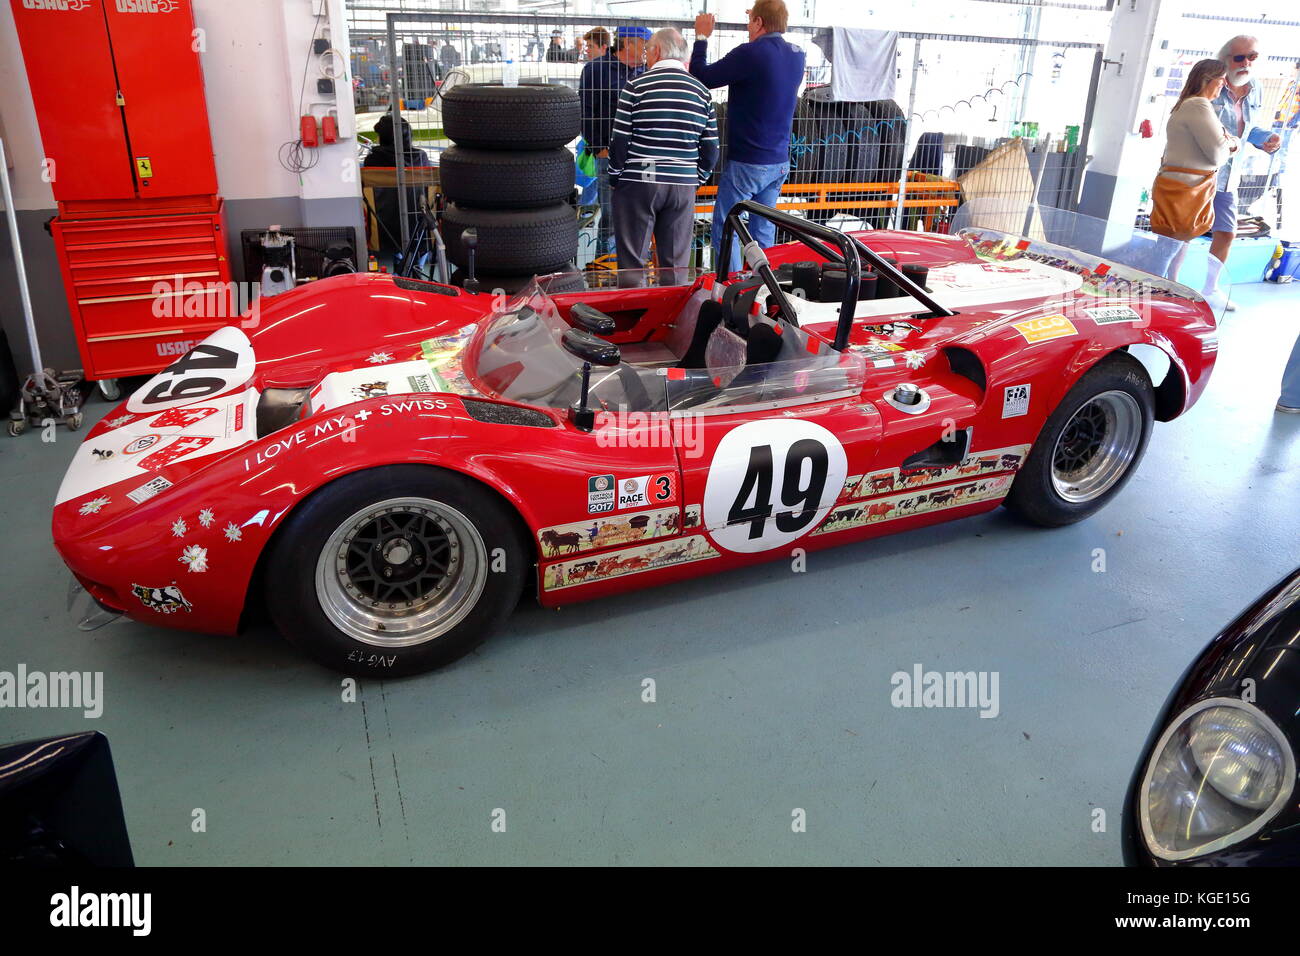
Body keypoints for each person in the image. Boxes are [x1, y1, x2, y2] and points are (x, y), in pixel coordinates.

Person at [691, 1, 805, 269]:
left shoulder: (751, 54)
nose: (746, 26)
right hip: (778, 161)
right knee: (763, 228)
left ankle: (728, 287)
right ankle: (764, 285)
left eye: (750, 20)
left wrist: (701, 37)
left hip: (747, 162)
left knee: (727, 224)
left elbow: (702, 76)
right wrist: (763, 14)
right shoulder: (797, 54)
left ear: (758, 23)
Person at [609, 28, 719, 286]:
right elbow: (711, 149)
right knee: (674, 265)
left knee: (633, 261)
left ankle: (635, 318)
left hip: (640, 181)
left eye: (648, 50)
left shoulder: (636, 86)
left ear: (657, 51)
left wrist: (616, 176)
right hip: (682, 184)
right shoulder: (702, 92)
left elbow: (620, 141)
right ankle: (672, 320)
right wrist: (695, 178)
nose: (646, 56)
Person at [1207, 35, 1283, 305]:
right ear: (1224, 59)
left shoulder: (1256, 88)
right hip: (1200, 172)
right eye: (1239, 58)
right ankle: (1169, 284)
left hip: (1230, 175)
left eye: (1252, 57)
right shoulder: (1209, 83)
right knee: (1183, 232)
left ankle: (1209, 288)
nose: (1246, 63)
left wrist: (1266, 139)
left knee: (1226, 232)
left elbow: (1248, 130)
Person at [1153, 59, 1237, 277]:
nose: (1224, 85)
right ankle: (1158, 290)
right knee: (1170, 247)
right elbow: (1218, 154)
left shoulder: (1186, 104)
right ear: (1209, 80)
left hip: (1179, 185)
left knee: (1174, 245)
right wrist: (1232, 143)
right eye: (1222, 80)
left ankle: (1167, 285)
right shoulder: (1198, 105)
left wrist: (1225, 141)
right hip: (1187, 189)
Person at [579, 25, 650, 257]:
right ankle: (605, 266)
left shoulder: (644, 72)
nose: (648, 50)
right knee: (611, 216)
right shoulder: (595, 70)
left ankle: (634, 263)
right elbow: (585, 112)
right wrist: (598, 148)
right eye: (645, 45)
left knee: (640, 213)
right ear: (629, 44)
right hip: (608, 157)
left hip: (640, 157)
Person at [362, 114, 431, 255]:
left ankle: (399, 259)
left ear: (384, 137)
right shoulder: (420, 157)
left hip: (383, 229)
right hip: (420, 227)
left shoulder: (373, 160)